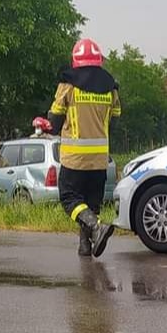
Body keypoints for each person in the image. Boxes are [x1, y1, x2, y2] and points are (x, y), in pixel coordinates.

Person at [46, 38, 120, 257]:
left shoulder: (67, 86)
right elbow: (114, 122)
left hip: (74, 159)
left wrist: (47, 124)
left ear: (75, 60)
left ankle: (97, 227)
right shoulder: (111, 89)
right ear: (98, 60)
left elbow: (55, 120)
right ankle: (85, 246)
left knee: (69, 199)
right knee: (91, 204)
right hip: (99, 160)